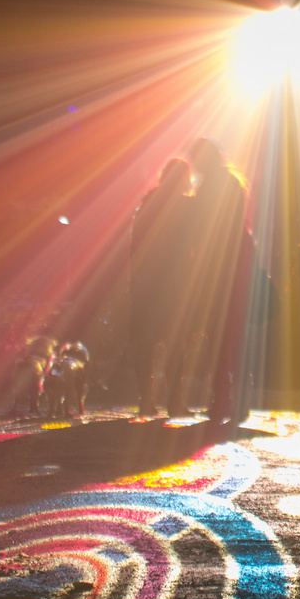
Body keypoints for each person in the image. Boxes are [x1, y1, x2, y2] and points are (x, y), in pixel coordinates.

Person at [187, 138, 254, 427]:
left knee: (220, 330)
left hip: (222, 261)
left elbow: (202, 229)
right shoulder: (232, 183)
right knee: (233, 330)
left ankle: (223, 398)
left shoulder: (210, 187)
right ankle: (236, 399)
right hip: (236, 257)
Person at [129, 158, 194, 416]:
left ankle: (147, 399)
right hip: (175, 282)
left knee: (146, 342)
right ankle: (174, 401)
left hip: (148, 280)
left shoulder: (149, 201)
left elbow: (136, 244)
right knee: (176, 341)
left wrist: (135, 279)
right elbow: (193, 245)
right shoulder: (186, 205)